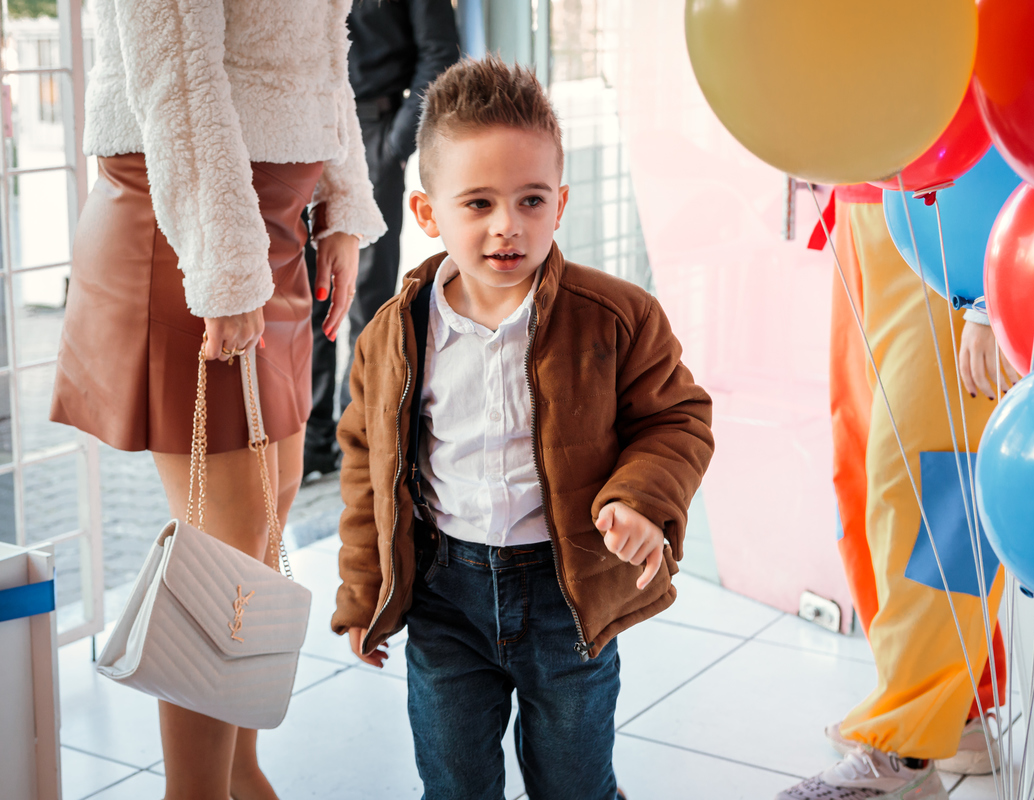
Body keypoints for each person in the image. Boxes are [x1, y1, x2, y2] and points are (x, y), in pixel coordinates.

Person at [330, 57, 714, 799]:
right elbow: (363, 460)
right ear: (427, 214)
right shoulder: (391, 336)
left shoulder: (617, 317)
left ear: (560, 202)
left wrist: (639, 499)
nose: (508, 225)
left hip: (566, 596)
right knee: (454, 782)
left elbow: (678, 418)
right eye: (477, 203)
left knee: (574, 784)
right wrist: (364, 589)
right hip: (445, 596)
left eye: (530, 200)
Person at [50, 2, 385, 798]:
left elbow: (319, 47)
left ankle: (243, 779)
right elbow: (177, 72)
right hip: (192, 225)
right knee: (224, 560)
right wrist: (228, 269)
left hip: (266, 226)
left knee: (260, 537)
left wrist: (340, 197)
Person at [774, 186, 1015, 800]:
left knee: (930, 486)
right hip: (868, 207)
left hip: (953, 217)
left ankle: (903, 750)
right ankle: (953, 709)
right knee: (860, 472)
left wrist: (989, 298)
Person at [303, 0, 461, 479]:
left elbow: (440, 58)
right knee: (308, 296)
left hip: (371, 132)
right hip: (302, 130)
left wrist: (392, 145)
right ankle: (312, 445)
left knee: (365, 302)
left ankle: (359, 441)